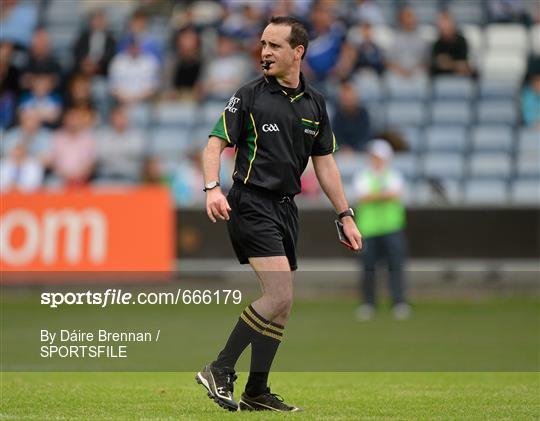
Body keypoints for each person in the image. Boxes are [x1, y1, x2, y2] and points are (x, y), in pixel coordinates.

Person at [196, 15, 362, 413]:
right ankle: (219, 368)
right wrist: (212, 187)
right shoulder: (249, 95)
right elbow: (214, 145)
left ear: (297, 52)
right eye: (263, 44)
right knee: (278, 295)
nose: (264, 52)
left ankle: (257, 390)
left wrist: (345, 214)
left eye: (274, 45)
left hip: (286, 209)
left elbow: (325, 165)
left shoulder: (315, 104)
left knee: (283, 305)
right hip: (251, 204)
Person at [352, 139, 410, 321]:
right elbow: (363, 196)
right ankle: (369, 303)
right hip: (369, 230)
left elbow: (391, 194)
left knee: (395, 266)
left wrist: (374, 196)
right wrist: (384, 195)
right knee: (368, 268)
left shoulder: (394, 175)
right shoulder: (363, 176)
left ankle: (399, 302)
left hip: (391, 228)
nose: (375, 160)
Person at [430, 12, 472, 77]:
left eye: (447, 24)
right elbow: (437, 64)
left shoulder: (461, 41)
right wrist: (455, 64)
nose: (445, 27)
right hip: (442, 77)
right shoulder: (437, 44)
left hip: (460, 77)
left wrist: (448, 63)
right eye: (442, 25)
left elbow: (463, 65)